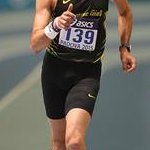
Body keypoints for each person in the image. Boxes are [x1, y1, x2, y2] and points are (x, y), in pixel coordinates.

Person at [30, 0, 137, 150]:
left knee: (74, 141)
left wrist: (124, 48)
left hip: (87, 74)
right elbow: (35, 45)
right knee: (59, 142)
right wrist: (55, 25)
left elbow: (125, 12)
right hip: (54, 71)